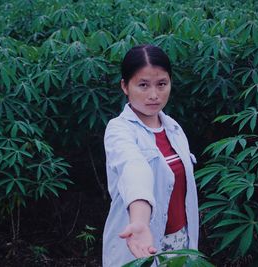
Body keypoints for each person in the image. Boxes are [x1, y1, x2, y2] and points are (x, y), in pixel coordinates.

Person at [102, 44, 199, 267]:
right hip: (141, 244)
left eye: (162, 84)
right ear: (125, 86)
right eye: (143, 85)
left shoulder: (173, 128)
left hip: (180, 241)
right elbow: (134, 168)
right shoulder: (119, 130)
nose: (154, 95)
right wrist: (139, 221)